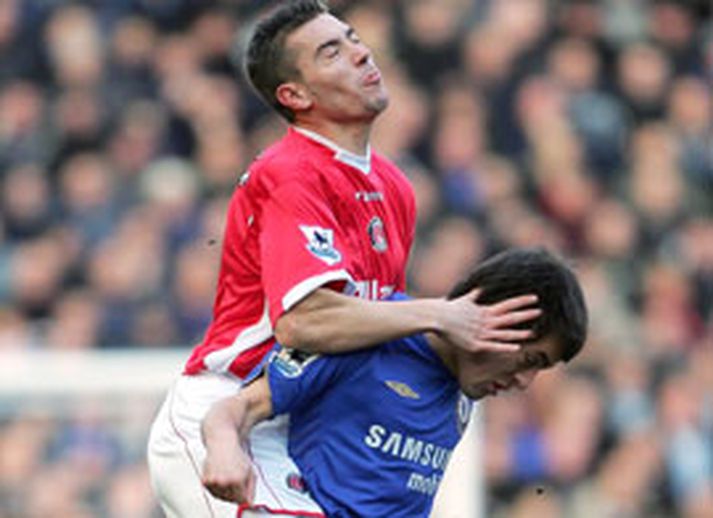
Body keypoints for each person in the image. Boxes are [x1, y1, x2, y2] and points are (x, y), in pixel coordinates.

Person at [147, 2, 541, 517]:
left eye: (352, 38)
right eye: (331, 51)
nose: (359, 53)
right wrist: (441, 314)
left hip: (302, 424)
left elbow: (366, 337)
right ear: (296, 95)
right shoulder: (290, 173)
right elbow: (303, 322)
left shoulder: (394, 186)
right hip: (227, 415)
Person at [201, 247, 589, 517]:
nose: (524, 381)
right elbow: (233, 409)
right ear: (493, 315)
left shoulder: (464, 390)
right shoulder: (369, 333)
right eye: (529, 359)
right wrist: (223, 450)